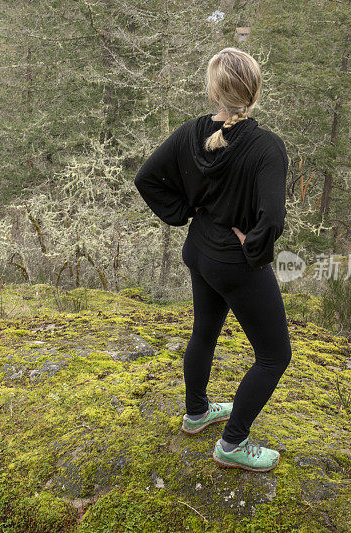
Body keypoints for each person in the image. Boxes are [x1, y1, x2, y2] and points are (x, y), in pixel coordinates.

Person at [133, 47, 291, 472]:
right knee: (275, 356)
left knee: (204, 333)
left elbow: (146, 178)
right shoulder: (266, 148)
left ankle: (197, 413)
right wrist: (253, 249)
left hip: (199, 251)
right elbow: (272, 218)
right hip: (234, 263)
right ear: (254, 90)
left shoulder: (191, 133)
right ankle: (232, 444)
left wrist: (185, 213)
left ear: (213, 90)